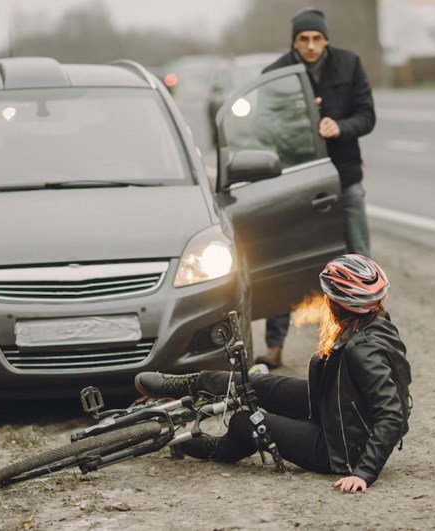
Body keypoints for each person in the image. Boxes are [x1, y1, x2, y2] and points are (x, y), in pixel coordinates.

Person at [135, 254, 411, 493]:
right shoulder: (370, 324)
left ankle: (216, 448)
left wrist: (363, 473)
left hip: (338, 448)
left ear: (341, 303)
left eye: (329, 296)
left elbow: (392, 414)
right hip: (334, 408)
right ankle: (184, 384)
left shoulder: (363, 350)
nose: (325, 301)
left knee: (248, 421)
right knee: (257, 383)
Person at [256, 7, 376, 369]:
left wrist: (339, 126)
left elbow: (367, 116)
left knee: (358, 258)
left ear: (326, 40)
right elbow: (265, 130)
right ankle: (274, 347)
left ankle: (368, 337)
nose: (310, 45)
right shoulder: (274, 75)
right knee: (284, 261)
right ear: (293, 42)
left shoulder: (349, 64)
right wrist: (301, 124)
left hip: (344, 178)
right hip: (294, 182)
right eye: (303, 39)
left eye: (316, 38)